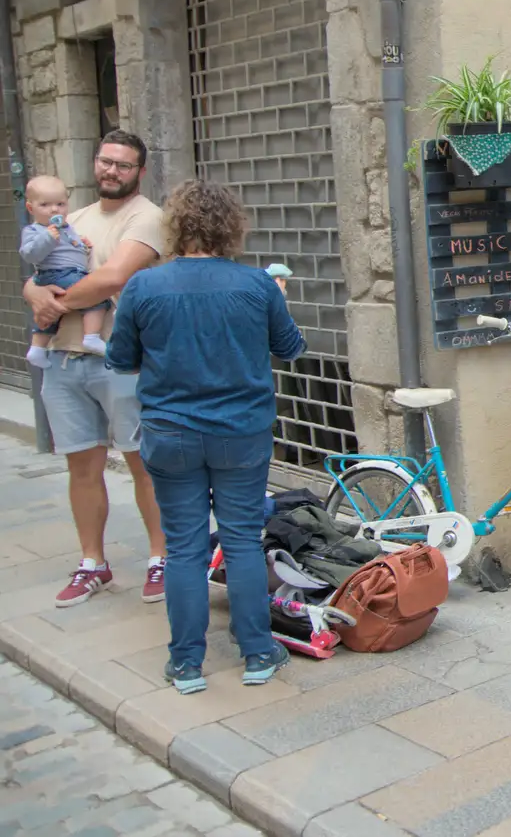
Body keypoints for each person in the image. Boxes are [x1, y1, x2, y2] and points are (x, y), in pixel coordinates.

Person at [107, 179, 306, 693]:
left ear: (175, 227)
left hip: (171, 434)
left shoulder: (144, 286)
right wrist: (276, 299)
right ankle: (259, 653)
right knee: (241, 542)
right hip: (241, 432)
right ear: (230, 227)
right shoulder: (256, 285)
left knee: (184, 549)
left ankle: (187, 664)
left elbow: (120, 359)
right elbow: (290, 347)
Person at [23, 131, 168, 607]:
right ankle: (93, 564)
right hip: (65, 361)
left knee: (142, 465)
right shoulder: (73, 216)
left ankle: (160, 558)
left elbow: (114, 277)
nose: (112, 171)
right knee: (81, 467)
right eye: (106, 162)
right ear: (95, 162)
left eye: (123, 166)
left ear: (139, 172)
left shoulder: (147, 218)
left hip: (121, 363)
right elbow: (35, 274)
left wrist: (50, 305)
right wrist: (34, 296)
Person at [19, 175, 112, 367]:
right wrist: (47, 239)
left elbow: (71, 245)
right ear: (31, 208)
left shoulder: (66, 227)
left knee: (52, 314)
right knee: (98, 297)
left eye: (60, 204)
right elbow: (29, 254)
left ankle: (37, 349)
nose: (54, 209)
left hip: (68, 272)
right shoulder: (34, 230)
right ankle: (92, 336)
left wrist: (82, 245)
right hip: (58, 273)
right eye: (45, 205)